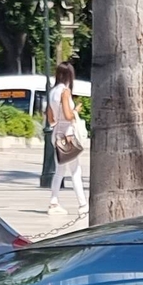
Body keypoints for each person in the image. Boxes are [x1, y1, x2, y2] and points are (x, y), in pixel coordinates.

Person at [45, 60, 84, 209]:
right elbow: (68, 115)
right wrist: (76, 111)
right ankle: (83, 204)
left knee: (59, 170)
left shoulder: (52, 92)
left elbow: (50, 118)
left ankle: (54, 201)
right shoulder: (65, 92)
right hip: (68, 134)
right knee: (75, 171)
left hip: (57, 134)